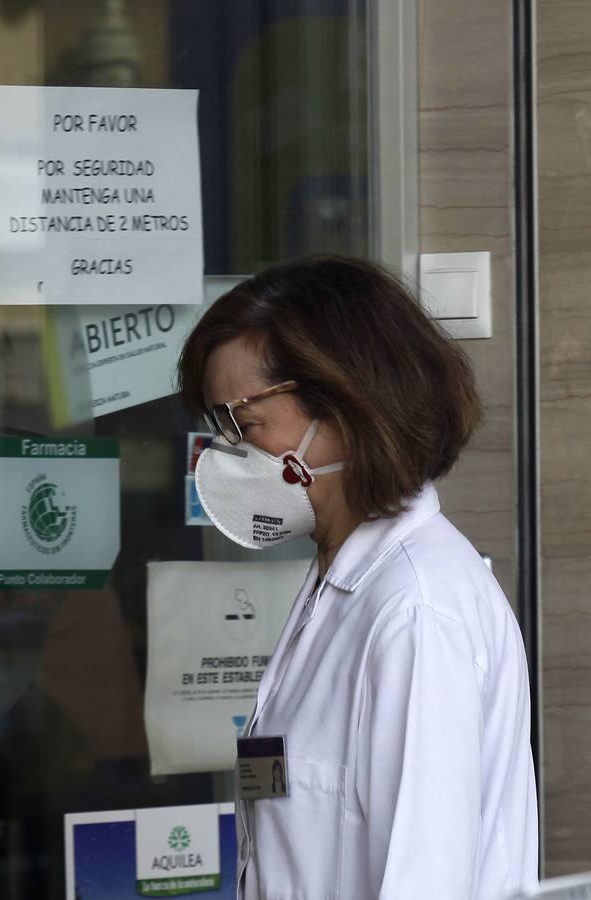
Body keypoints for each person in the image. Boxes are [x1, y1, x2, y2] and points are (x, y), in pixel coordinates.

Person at [178, 255, 537, 900]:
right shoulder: (341, 583)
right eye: (220, 427)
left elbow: (424, 879)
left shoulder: (416, 610)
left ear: (349, 404)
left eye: (246, 424)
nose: (230, 453)